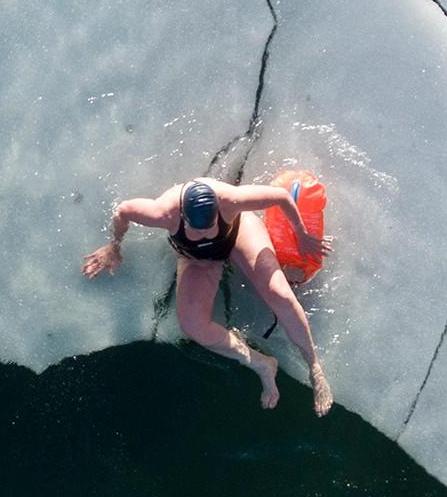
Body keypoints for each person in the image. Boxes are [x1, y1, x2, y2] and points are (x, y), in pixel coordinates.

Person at [81, 177, 336, 415]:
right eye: (197, 229)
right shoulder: (163, 212)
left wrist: (301, 234)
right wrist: (114, 246)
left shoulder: (231, 200)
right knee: (192, 324)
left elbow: (281, 196)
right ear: (183, 217)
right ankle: (261, 364)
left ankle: (314, 366)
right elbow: (123, 211)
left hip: (238, 236)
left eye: (210, 226)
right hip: (196, 259)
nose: (205, 234)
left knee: (279, 292)